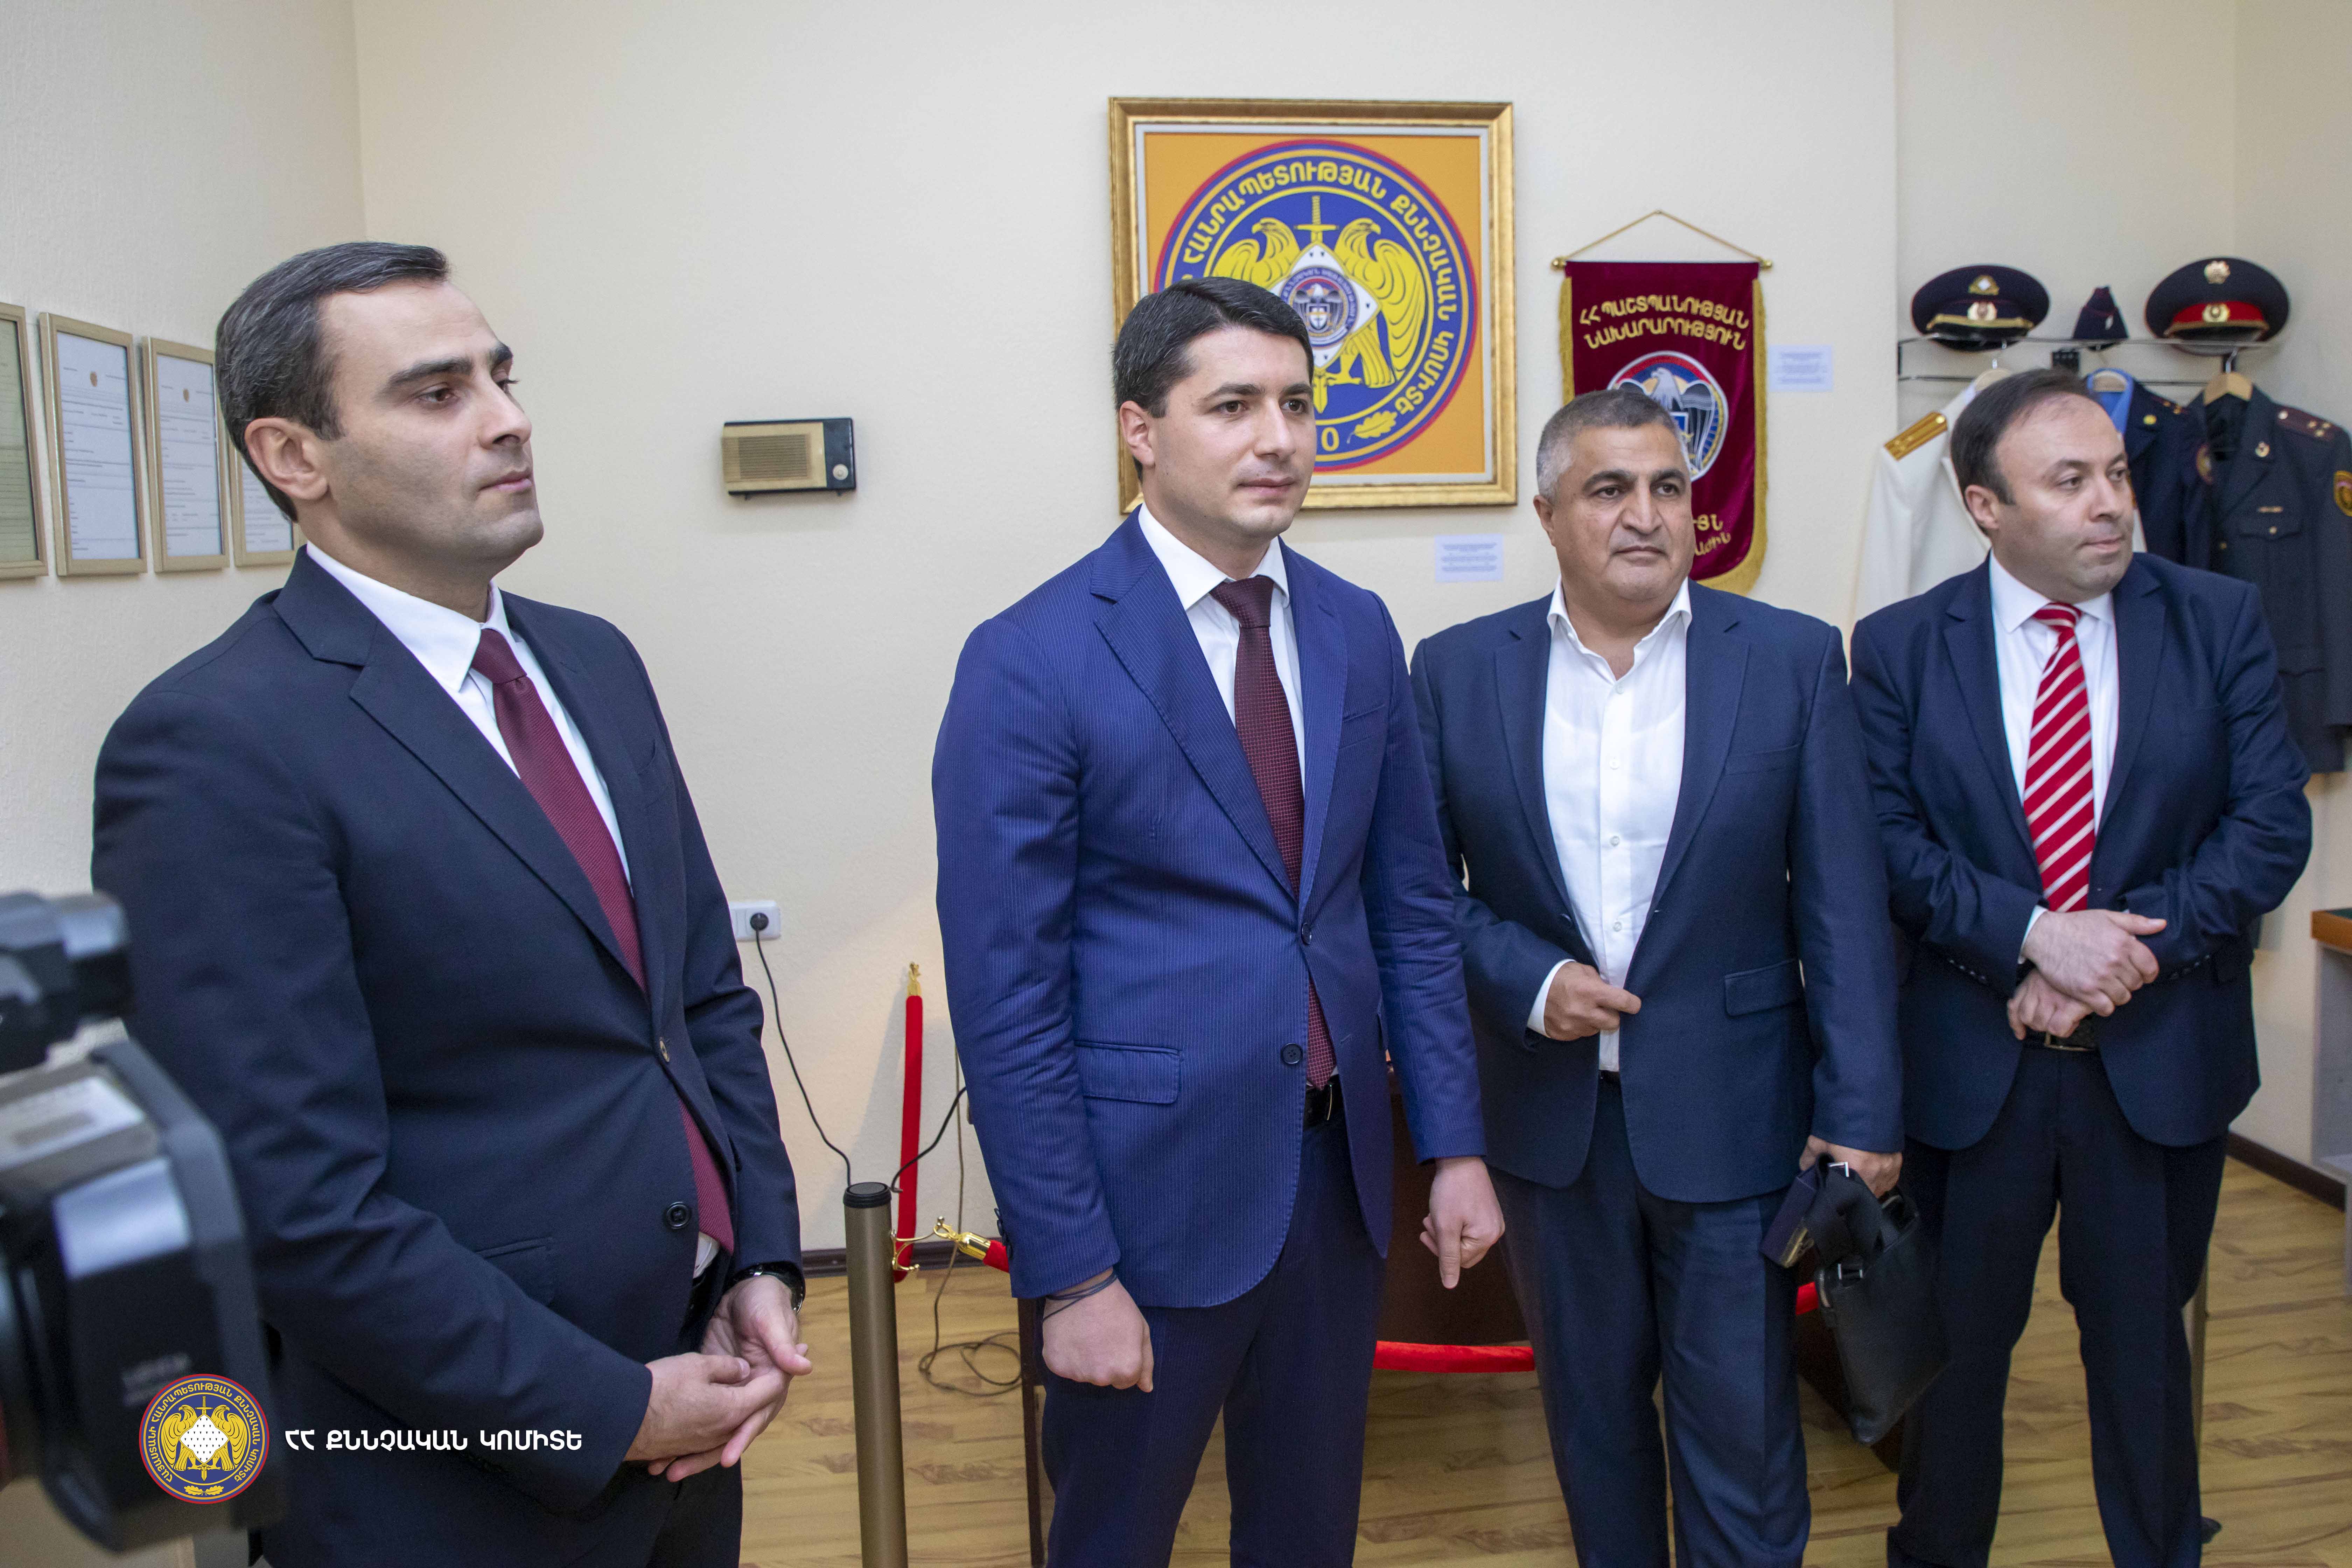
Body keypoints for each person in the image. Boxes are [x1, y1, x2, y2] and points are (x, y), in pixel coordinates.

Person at [91, 243, 807, 1568]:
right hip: (452, 1468)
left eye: (502, 376)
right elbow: (290, 1201)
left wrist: (761, 1259)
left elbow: (700, 997)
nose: (507, 419)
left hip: (695, 1400)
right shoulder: (214, 744)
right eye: (436, 393)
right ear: (294, 456)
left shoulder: (593, 660)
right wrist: (599, 1410)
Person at [932, 276, 1501, 1566]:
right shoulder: (1032, 656)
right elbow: (1008, 999)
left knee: (1308, 1534)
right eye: (1234, 406)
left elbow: (1411, 912)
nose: (1278, 438)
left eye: (1298, 404)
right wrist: (1072, 1271)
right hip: (1144, 1206)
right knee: (1114, 1539)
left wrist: (1456, 1145)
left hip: (1335, 1187)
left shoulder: (1357, 629)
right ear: (1140, 430)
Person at [1410, 387, 1904, 1568]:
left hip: (1740, 1120)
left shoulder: (1788, 659)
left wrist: (1863, 1114)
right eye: (1610, 489)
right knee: (1594, 1433)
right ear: (1548, 515)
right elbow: (1422, 898)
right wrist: (1532, 981)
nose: (1647, 514)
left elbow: (1843, 903)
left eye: (1669, 487)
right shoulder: (1458, 670)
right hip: (1554, 1127)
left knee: (1744, 1440)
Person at [1850, 369, 2313, 1568]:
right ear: (1985, 507)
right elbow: (1885, 841)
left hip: (2156, 1066)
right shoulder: (1903, 647)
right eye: (2069, 482)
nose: (2111, 502)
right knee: (1955, 1363)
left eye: (2114, 473)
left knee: (2145, 1358)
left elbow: (2269, 828)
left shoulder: (2216, 618)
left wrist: (2108, 955)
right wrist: (2028, 933)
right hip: (1973, 1068)